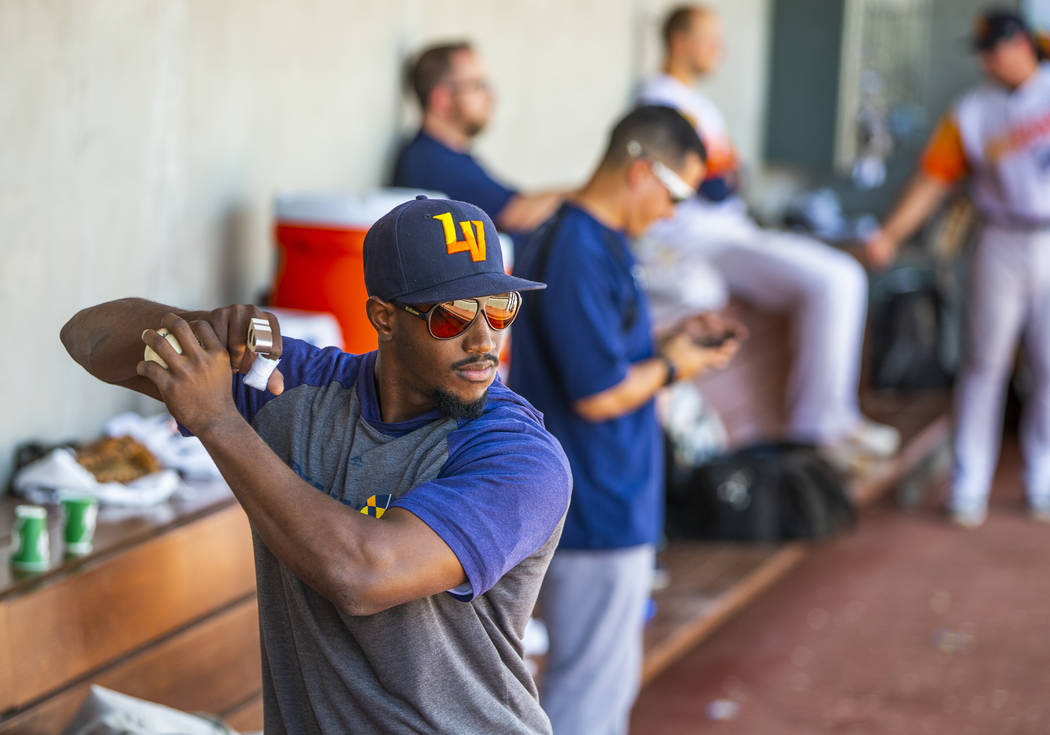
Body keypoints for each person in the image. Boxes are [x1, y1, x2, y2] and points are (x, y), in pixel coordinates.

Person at [60, 196, 572, 734]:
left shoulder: (520, 457)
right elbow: (87, 337)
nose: (484, 340)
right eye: (453, 317)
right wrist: (207, 326)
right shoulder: (298, 387)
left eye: (500, 309)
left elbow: (362, 574)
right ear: (384, 317)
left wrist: (218, 422)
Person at [509, 105, 742, 735]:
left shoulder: (594, 238)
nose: (674, 212)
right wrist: (676, 368)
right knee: (588, 697)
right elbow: (597, 392)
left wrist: (670, 343)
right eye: (676, 194)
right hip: (594, 504)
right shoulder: (578, 247)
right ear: (641, 171)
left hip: (602, 496)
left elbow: (606, 352)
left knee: (597, 686)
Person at [635, 4, 900, 462]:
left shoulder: (696, 101)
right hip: (696, 238)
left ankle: (829, 421)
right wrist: (729, 176)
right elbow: (716, 185)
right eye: (709, 38)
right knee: (837, 278)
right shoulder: (661, 98)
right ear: (680, 41)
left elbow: (731, 179)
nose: (720, 49)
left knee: (840, 277)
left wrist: (731, 176)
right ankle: (819, 429)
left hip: (728, 232)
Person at [865, 8, 1050, 528]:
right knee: (983, 364)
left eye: (993, 49)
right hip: (1000, 236)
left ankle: (1044, 478)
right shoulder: (972, 110)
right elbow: (933, 180)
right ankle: (970, 484)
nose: (987, 60)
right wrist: (891, 233)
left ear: (1018, 46)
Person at [392, 41, 569, 242]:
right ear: (442, 99)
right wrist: (588, 197)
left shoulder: (452, 155)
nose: (491, 97)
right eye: (477, 86)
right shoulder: (429, 160)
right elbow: (513, 213)